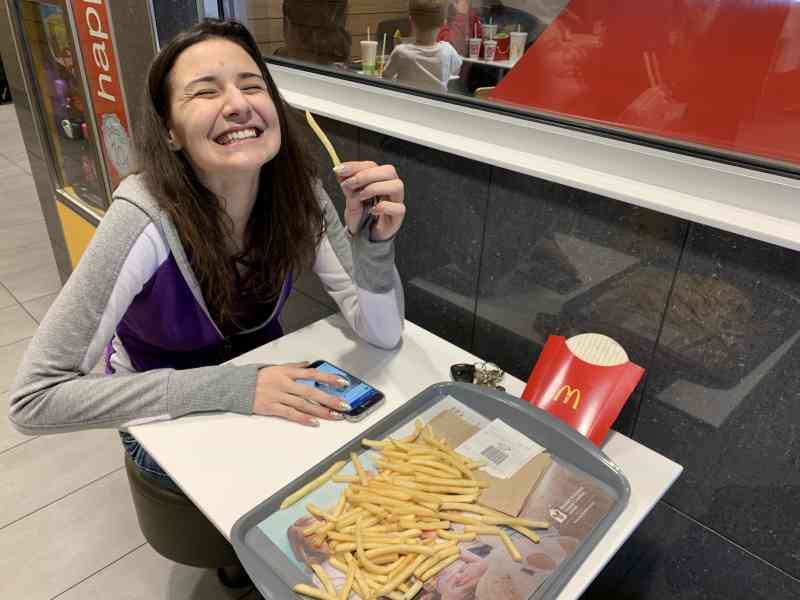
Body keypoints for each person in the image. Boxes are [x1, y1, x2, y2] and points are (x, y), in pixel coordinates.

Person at [8, 17, 406, 579]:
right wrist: (233, 386)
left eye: (251, 85)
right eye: (205, 91)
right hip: (157, 411)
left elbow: (382, 332)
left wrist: (375, 249)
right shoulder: (143, 216)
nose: (238, 104)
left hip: (267, 383)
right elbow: (34, 401)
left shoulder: (301, 193)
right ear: (170, 131)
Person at [383, 0, 463, 93]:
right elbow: (456, 70)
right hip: (437, 105)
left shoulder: (401, 52)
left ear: (411, 20)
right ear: (443, 23)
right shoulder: (448, 50)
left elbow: (386, 77)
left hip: (406, 105)